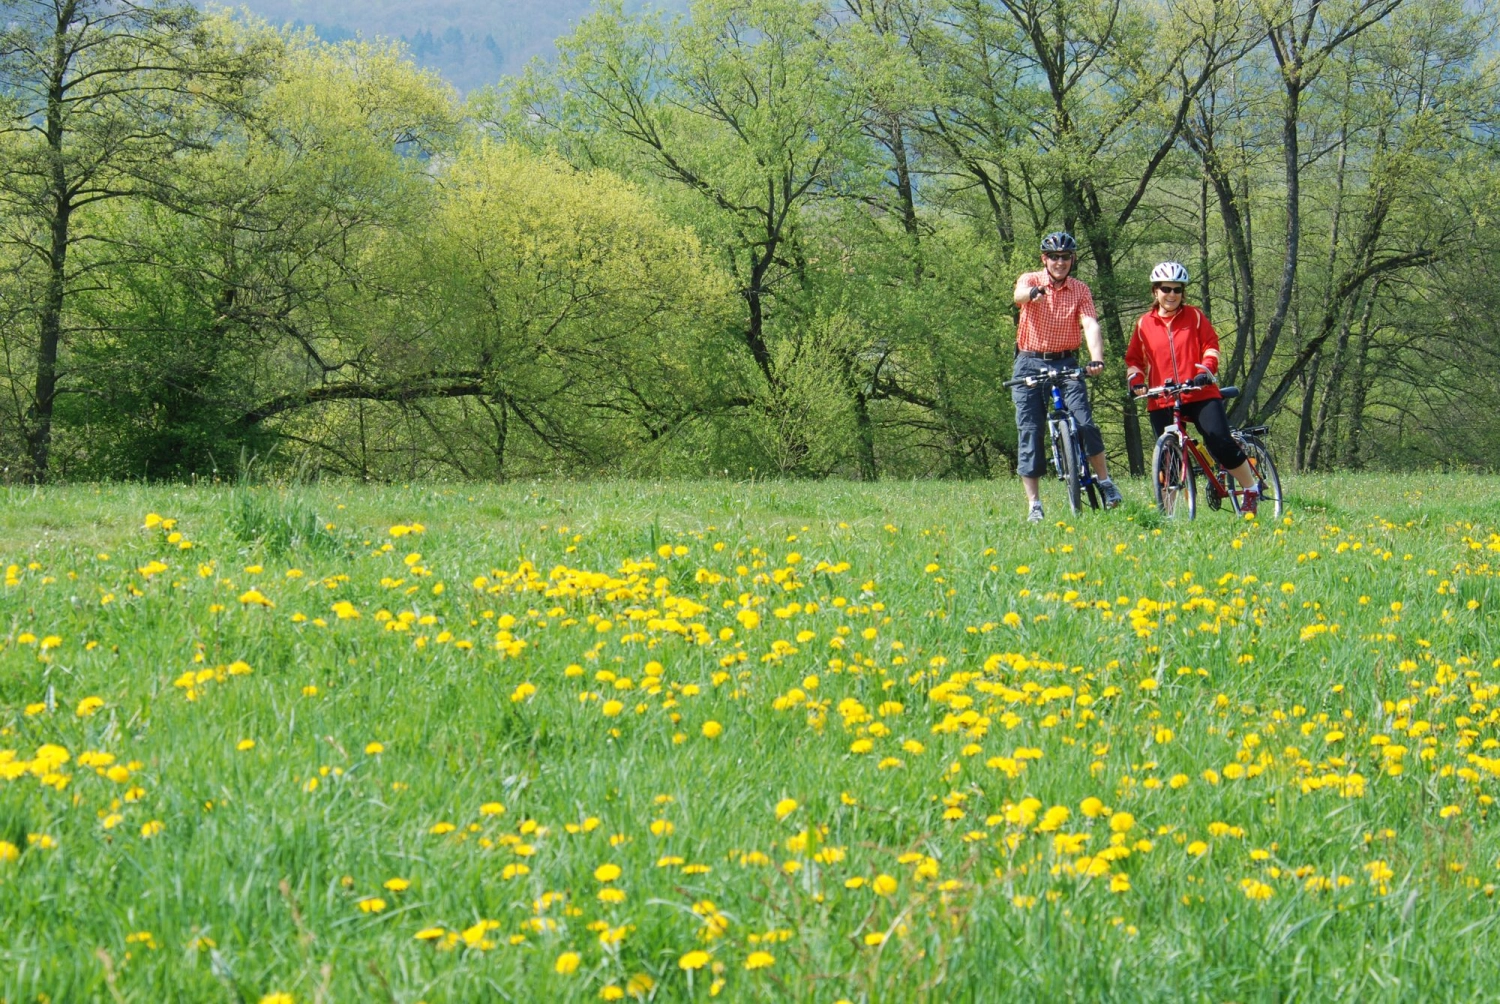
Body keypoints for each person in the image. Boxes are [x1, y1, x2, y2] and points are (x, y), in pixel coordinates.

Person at [1124, 261, 1260, 514]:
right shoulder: (1144, 324)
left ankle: (1251, 490)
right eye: (1166, 289)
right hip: (1162, 397)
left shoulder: (1195, 316)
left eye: (1177, 289)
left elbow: (1211, 346)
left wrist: (1204, 371)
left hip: (1199, 392)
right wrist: (1136, 382)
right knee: (1168, 458)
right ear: (1155, 291)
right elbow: (1134, 360)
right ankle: (1167, 518)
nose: (1172, 294)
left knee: (1219, 441)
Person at [1010, 231, 1122, 522]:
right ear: (1044, 259)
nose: (1060, 262)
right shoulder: (1031, 279)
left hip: (1065, 362)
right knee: (1030, 431)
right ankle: (1034, 504)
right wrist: (1033, 294)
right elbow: (1018, 295)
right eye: (1054, 257)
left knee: (1085, 422)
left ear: (1072, 260)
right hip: (1029, 363)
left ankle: (1106, 482)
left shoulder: (1080, 289)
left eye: (1065, 257)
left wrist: (1096, 358)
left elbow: (1090, 324)